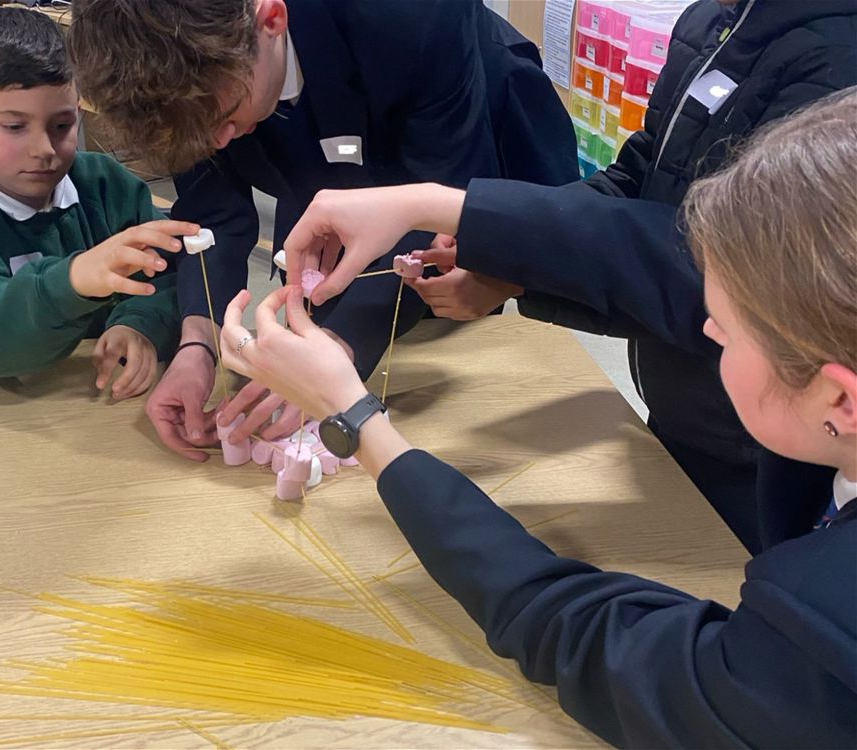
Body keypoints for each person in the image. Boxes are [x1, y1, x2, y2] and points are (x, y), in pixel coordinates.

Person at [219, 91, 857, 748]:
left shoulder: (825, 631)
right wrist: (459, 226)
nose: (706, 328)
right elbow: (636, 243)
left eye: (728, 329)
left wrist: (355, 416)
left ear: (840, 400)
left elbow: (600, 645)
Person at [292, 0, 857, 553]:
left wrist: (449, 208)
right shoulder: (719, 18)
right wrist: (507, 265)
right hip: (686, 417)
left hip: (771, 447)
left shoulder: (835, 55)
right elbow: (638, 178)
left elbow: (721, 274)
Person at [67, 0, 578, 457]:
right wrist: (198, 340)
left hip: (464, 129)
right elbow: (213, 213)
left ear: (270, 19)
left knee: (467, 324)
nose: (219, 145)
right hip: (316, 137)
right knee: (319, 292)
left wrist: (341, 344)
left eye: (222, 120)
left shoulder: (413, 17)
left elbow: (436, 204)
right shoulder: (186, 80)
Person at [0, 7, 197, 398]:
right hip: (2, 413)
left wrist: (138, 325)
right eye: (14, 127)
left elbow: (173, 279)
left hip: (100, 406)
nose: (44, 150)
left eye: (62, 126)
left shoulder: (109, 186)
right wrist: (72, 280)